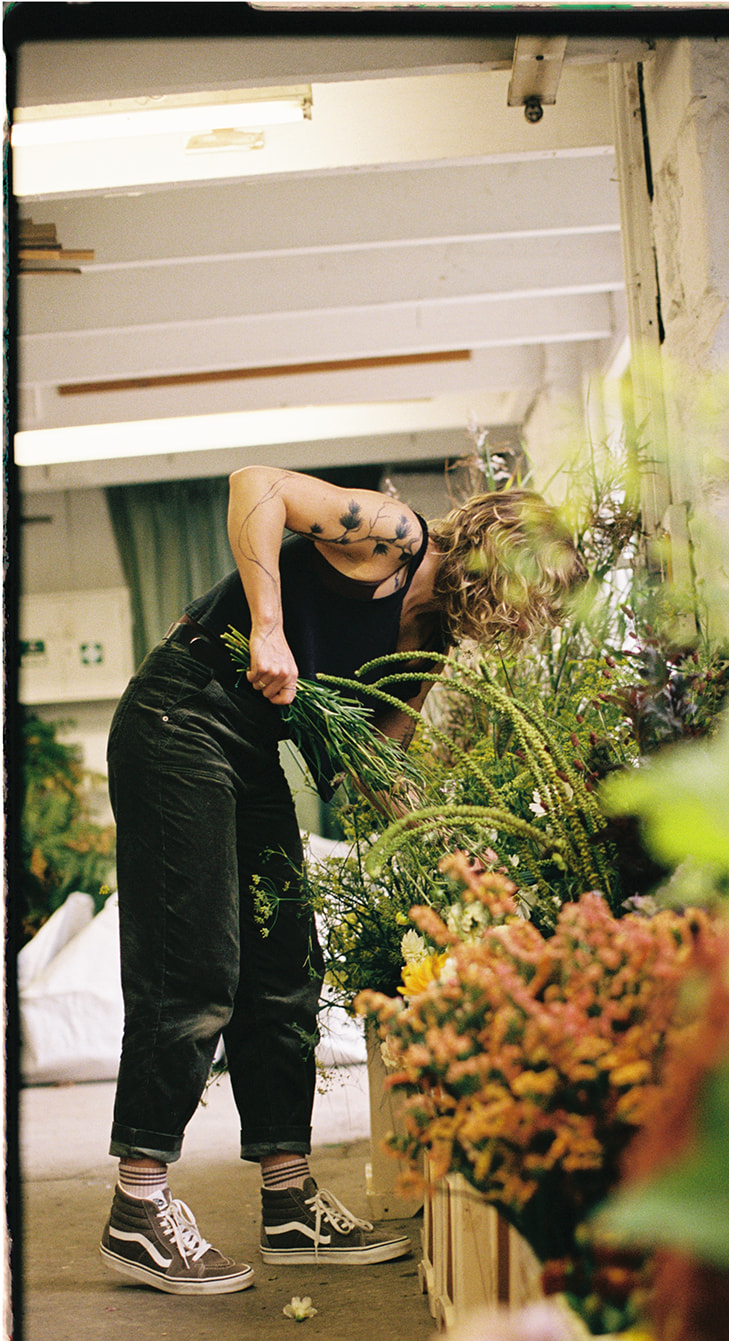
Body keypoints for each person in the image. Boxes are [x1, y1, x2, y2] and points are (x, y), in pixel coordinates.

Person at [100, 464, 581, 1294]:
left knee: (285, 967)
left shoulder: (428, 637)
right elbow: (256, 484)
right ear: (503, 561)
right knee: (196, 970)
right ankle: (137, 1206)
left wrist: (454, 851)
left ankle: (288, 1202)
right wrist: (269, 627)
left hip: (247, 753)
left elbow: (375, 761)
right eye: (532, 599)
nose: (526, 624)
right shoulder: (391, 535)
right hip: (176, 719)